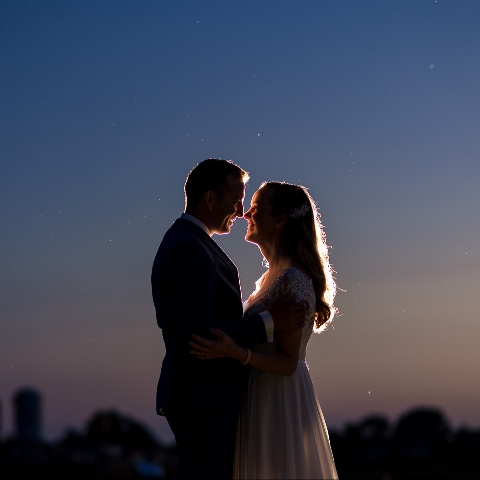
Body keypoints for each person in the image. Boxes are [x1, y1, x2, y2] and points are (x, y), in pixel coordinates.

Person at [151, 160, 306, 480]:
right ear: (210, 199)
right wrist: (269, 320)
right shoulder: (189, 248)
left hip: (208, 396)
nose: (240, 212)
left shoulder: (193, 243)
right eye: (236, 202)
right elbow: (200, 334)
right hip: (203, 397)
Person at [190, 180, 339, 479]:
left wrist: (236, 352)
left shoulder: (294, 281)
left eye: (256, 208)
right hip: (258, 394)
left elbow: (288, 363)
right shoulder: (269, 278)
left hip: (279, 398)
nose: (245, 214)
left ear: (280, 219)